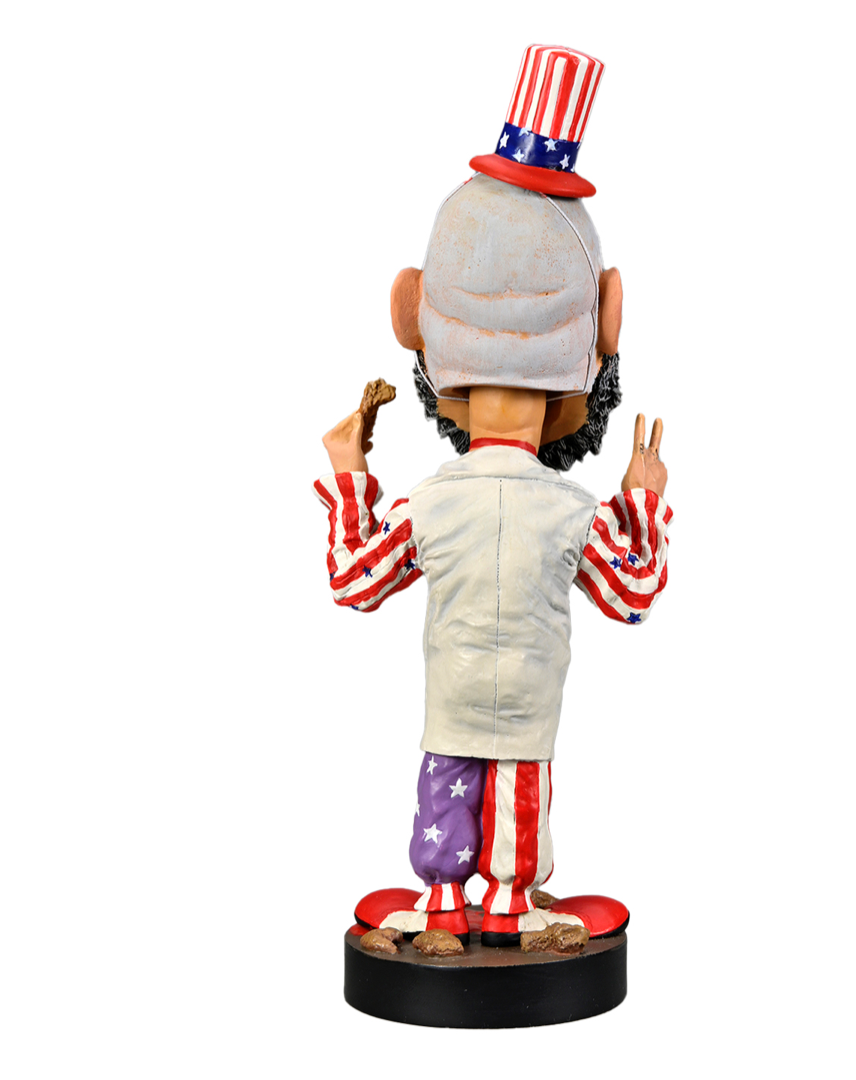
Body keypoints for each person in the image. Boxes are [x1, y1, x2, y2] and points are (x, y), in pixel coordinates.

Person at [314, 48, 671, 947]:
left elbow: (354, 581)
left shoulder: (431, 503)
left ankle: (443, 905)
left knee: (444, 802)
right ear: (606, 324)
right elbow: (633, 593)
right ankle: (509, 904)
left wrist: (351, 473)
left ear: (411, 315)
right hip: (530, 719)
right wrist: (640, 498)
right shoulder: (570, 511)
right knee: (517, 810)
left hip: (450, 705)